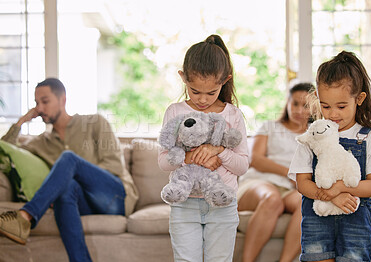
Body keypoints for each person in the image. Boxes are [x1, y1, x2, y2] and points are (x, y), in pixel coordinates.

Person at [0, 78, 138, 262]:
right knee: (65, 189)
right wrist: (21, 122)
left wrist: (66, 176)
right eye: (36, 103)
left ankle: (26, 215)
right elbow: (4, 150)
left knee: (68, 159)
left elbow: (113, 166)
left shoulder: (95, 122)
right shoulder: (41, 143)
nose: (39, 108)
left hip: (115, 197)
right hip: (84, 203)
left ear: (62, 99)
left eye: (45, 101)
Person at [288, 51, 371, 262]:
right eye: (326, 106)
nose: (333, 114)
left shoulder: (369, 138)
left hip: (356, 221)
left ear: (359, 99)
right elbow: (302, 183)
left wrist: (340, 188)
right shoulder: (311, 137)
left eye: (342, 106)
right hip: (317, 219)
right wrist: (331, 196)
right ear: (317, 99)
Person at [158, 34, 249, 262]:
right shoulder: (175, 112)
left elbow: (242, 166)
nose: (202, 100)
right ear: (183, 78)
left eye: (211, 92)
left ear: (224, 81)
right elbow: (162, 161)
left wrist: (218, 151)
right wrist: (190, 157)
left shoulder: (232, 115)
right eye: (195, 91)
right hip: (184, 204)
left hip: (222, 204)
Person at [237, 82, 313, 262]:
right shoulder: (270, 126)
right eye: (295, 103)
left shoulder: (314, 136)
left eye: (305, 106)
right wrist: (290, 173)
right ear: (287, 103)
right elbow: (256, 159)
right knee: (272, 200)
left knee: (308, 206)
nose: (299, 110)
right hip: (258, 182)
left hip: (290, 189)